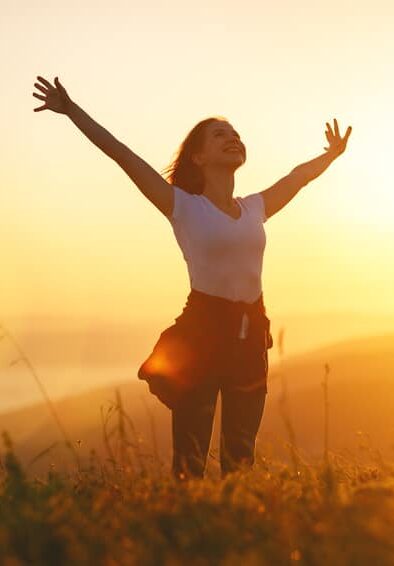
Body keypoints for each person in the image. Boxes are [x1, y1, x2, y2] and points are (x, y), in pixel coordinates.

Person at [32, 75, 352, 479]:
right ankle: (185, 532)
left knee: (240, 458)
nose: (232, 138)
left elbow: (297, 178)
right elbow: (122, 155)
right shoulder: (181, 205)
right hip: (202, 334)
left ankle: (234, 533)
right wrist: (71, 110)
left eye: (235, 134)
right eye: (220, 135)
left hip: (251, 334)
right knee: (191, 460)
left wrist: (332, 155)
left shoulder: (255, 208)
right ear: (198, 157)